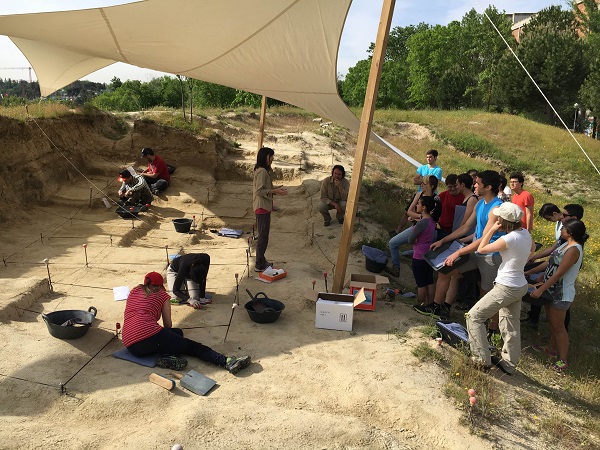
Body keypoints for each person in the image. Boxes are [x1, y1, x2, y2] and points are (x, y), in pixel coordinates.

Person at [413, 170, 504, 319]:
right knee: (446, 270)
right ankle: (436, 307)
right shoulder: (480, 203)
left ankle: (488, 327)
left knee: (485, 293)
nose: (474, 185)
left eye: (478, 183)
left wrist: (458, 252)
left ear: (488, 187)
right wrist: (444, 240)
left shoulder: (496, 209)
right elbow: (466, 227)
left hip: (491, 256)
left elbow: (484, 239)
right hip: (475, 251)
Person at [122, 272, 251, 374]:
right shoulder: (162, 295)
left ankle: (165, 355)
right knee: (191, 347)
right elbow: (168, 325)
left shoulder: (134, 291)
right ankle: (226, 362)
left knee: (177, 333)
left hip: (130, 343)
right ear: (161, 286)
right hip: (148, 335)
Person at [466, 203, 534, 375]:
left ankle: (481, 360)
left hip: (507, 285)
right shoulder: (524, 234)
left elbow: (481, 249)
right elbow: (532, 249)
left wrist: (492, 229)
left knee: (474, 317)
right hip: (520, 284)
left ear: (503, 221)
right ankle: (509, 364)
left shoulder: (509, 239)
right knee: (511, 324)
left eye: (498, 219)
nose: (496, 219)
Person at [527, 220, 587, 371]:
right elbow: (550, 264)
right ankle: (551, 349)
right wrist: (531, 273)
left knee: (559, 327)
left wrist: (541, 289)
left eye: (564, 228)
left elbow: (560, 273)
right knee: (552, 324)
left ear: (570, 232)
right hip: (551, 290)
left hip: (560, 293)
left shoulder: (574, 249)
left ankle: (563, 359)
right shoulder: (565, 244)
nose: (561, 230)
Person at [523, 203, 584, 329]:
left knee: (561, 303)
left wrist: (541, 284)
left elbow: (559, 271)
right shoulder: (566, 233)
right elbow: (553, 252)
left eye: (565, 215)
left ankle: (562, 327)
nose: (562, 216)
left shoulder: (574, 239)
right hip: (556, 268)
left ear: (575, 218)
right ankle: (536, 316)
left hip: (562, 280)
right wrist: (536, 260)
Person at [386, 175, 439, 277]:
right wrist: (421, 216)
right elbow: (409, 212)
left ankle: (400, 268)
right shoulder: (419, 195)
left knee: (422, 254)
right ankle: (396, 267)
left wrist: (418, 217)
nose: (422, 185)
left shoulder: (436, 199)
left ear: (431, 186)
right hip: (419, 226)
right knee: (393, 243)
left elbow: (432, 218)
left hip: (427, 229)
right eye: (422, 183)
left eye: (424, 183)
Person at [391, 150, 442, 235]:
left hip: (429, 195)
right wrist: (425, 181)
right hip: (419, 194)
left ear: (435, 158)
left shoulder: (438, 170)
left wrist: (422, 180)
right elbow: (415, 181)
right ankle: (398, 231)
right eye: (427, 157)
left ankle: (416, 233)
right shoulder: (422, 167)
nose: (428, 159)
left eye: (430, 157)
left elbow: (434, 182)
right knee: (407, 212)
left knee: (426, 214)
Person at [253, 147, 288, 272]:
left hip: (264, 207)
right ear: (265, 157)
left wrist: (276, 189)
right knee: (263, 237)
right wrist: (275, 191)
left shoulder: (263, 171)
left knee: (264, 236)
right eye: (270, 156)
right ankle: (259, 264)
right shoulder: (262, 171)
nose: (272, 159)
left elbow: (266, 188)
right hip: (262, 207)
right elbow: (260, 191)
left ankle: (262, 260)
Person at [408, 196, 437, 305]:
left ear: (424, 207)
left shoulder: (421, 223)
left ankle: (421, 303)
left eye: (419, 204)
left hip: (419, 255)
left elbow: (410, 239)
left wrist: (415, 237)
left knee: (421, 283)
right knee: (429, 280)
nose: (417, 205)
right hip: (429, 255)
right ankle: (430, 303)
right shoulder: (432, 220)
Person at [437, 174, 464, 240]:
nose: (453, 189)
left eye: (455, 186)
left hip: (454, 231)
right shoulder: (442, 195)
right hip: (440, 227)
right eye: (450, 186)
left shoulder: (464, 197)